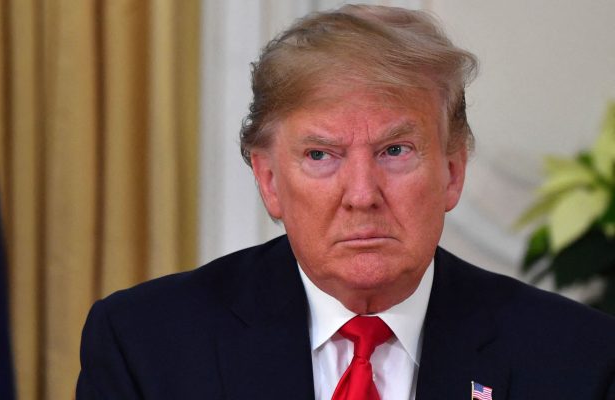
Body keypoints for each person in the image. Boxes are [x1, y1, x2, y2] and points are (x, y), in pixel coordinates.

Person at [76, 4, 615, 400]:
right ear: (268, 181)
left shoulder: (578, 358)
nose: (362, 195)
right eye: (320, 155)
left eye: (395, 150)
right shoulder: (146, 346)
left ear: (453, 170)